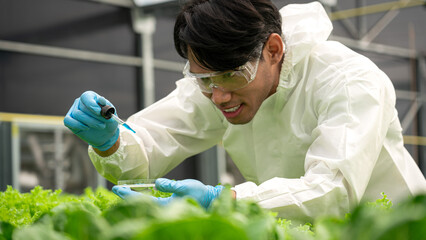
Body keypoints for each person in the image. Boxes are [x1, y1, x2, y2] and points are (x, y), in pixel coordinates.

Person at [64, 0, 426, 222]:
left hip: (391, 228)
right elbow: (148, 149)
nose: (218, 97)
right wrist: (112, 141)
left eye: (231, 76)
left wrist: (223, 200)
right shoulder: (215, 86)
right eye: (203, 78)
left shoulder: (348, 81)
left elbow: (333, 191)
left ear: (273, 49)